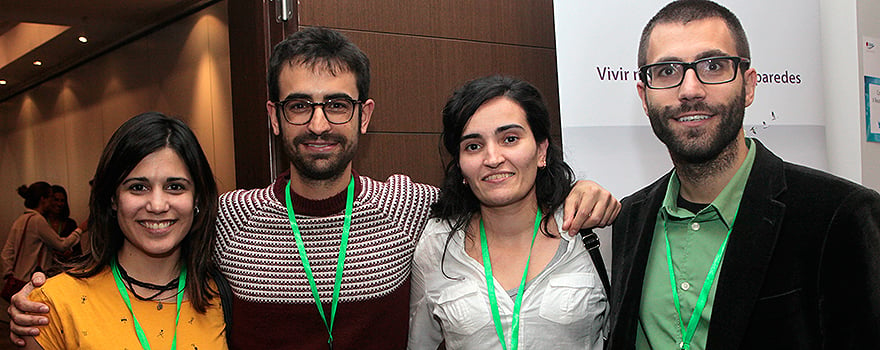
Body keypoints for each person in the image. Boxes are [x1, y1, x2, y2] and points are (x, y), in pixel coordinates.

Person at [9, 27, 619, 349]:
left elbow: (497, 192)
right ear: (274, 118)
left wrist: (574, 189)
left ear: (366, 114)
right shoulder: (227, 218)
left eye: (337, 105)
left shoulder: (409, 207)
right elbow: (149, 239)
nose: (319, 123)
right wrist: (45, 297)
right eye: (299, 106)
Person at [606, 1, 880, 349]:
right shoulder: (630, 217)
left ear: (749, 85)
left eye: (714, 66)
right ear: (645, 97)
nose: (690, 90)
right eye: (667, 71)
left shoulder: (838, 216)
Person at [409, 76, 608, 349]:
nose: (492, 159)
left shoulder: (589, 230)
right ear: (460, 166)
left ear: (541, 150)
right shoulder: (436, 245)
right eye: (473, 146)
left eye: (510, 139)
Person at [19, 112, 228, 349]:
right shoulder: (52, 305)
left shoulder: (224, 297)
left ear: (197, 197)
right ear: (113, 198)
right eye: (138, 187)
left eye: (175, 187)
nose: (157, 205)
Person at [2, 182, 82, 294]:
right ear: (43, 199)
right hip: (33, 280)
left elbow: (6, 253)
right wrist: (80, 230)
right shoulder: (37, 220)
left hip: (18, 279)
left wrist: (9, 275)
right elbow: (62, 245)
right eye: (51, 198)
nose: (52, 202)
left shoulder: (20, 220)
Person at [45, 185, 82, 268]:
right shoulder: (41, 222)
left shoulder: (70, 224)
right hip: (44, 270)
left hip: (65, 269)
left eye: (62, 201)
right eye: (56, 200)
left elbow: (78, 253)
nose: (59, 204)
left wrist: (70, 254)